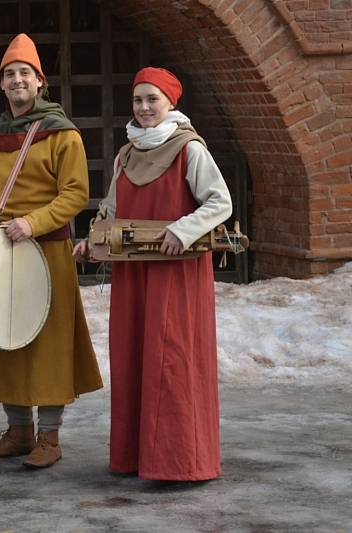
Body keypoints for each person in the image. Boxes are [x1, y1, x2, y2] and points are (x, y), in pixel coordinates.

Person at [73, 67, 232, 482]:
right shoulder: (126, 155)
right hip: (133, 274)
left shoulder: (189, 149)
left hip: (176, 274)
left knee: (172, 359)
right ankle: (136, 457)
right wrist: (92, 241)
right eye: (138, 100)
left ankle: (180, 463)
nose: (144, 108)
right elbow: (110, 210)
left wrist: (183, 230)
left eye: (152, 99)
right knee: (134, 356)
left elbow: (220, 202)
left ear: (171, 103)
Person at [0, 34, 103, 469]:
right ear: (0, 84)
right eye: (9, 74)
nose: (17, 80)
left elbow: (75, 194)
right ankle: (18, 432)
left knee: (47, 343)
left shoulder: (63, 134)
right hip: (2, 250)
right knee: (4, 336)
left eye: (25, 73)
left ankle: (49, 438)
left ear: (40, 82)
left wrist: (33, 223)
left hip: (47, 251)